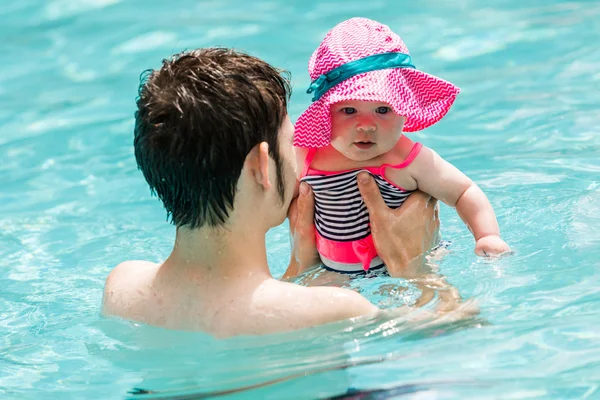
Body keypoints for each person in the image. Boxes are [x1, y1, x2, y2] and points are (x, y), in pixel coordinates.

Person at [101, 48, 464, 338]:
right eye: (292, 142)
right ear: (262, 166)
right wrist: (413, 267)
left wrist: (299, 273)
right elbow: (456, 329)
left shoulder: (123, 290)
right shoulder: (335, 311)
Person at [293, 18, 510, 276]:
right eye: (349, 110)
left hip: (410, 263)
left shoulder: (408, 160)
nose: (366, 125)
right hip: (331, 270)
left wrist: (487, 236)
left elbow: (464, 192)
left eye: (382, 109)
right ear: (325, 113)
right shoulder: (308, 152)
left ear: (404, 110)